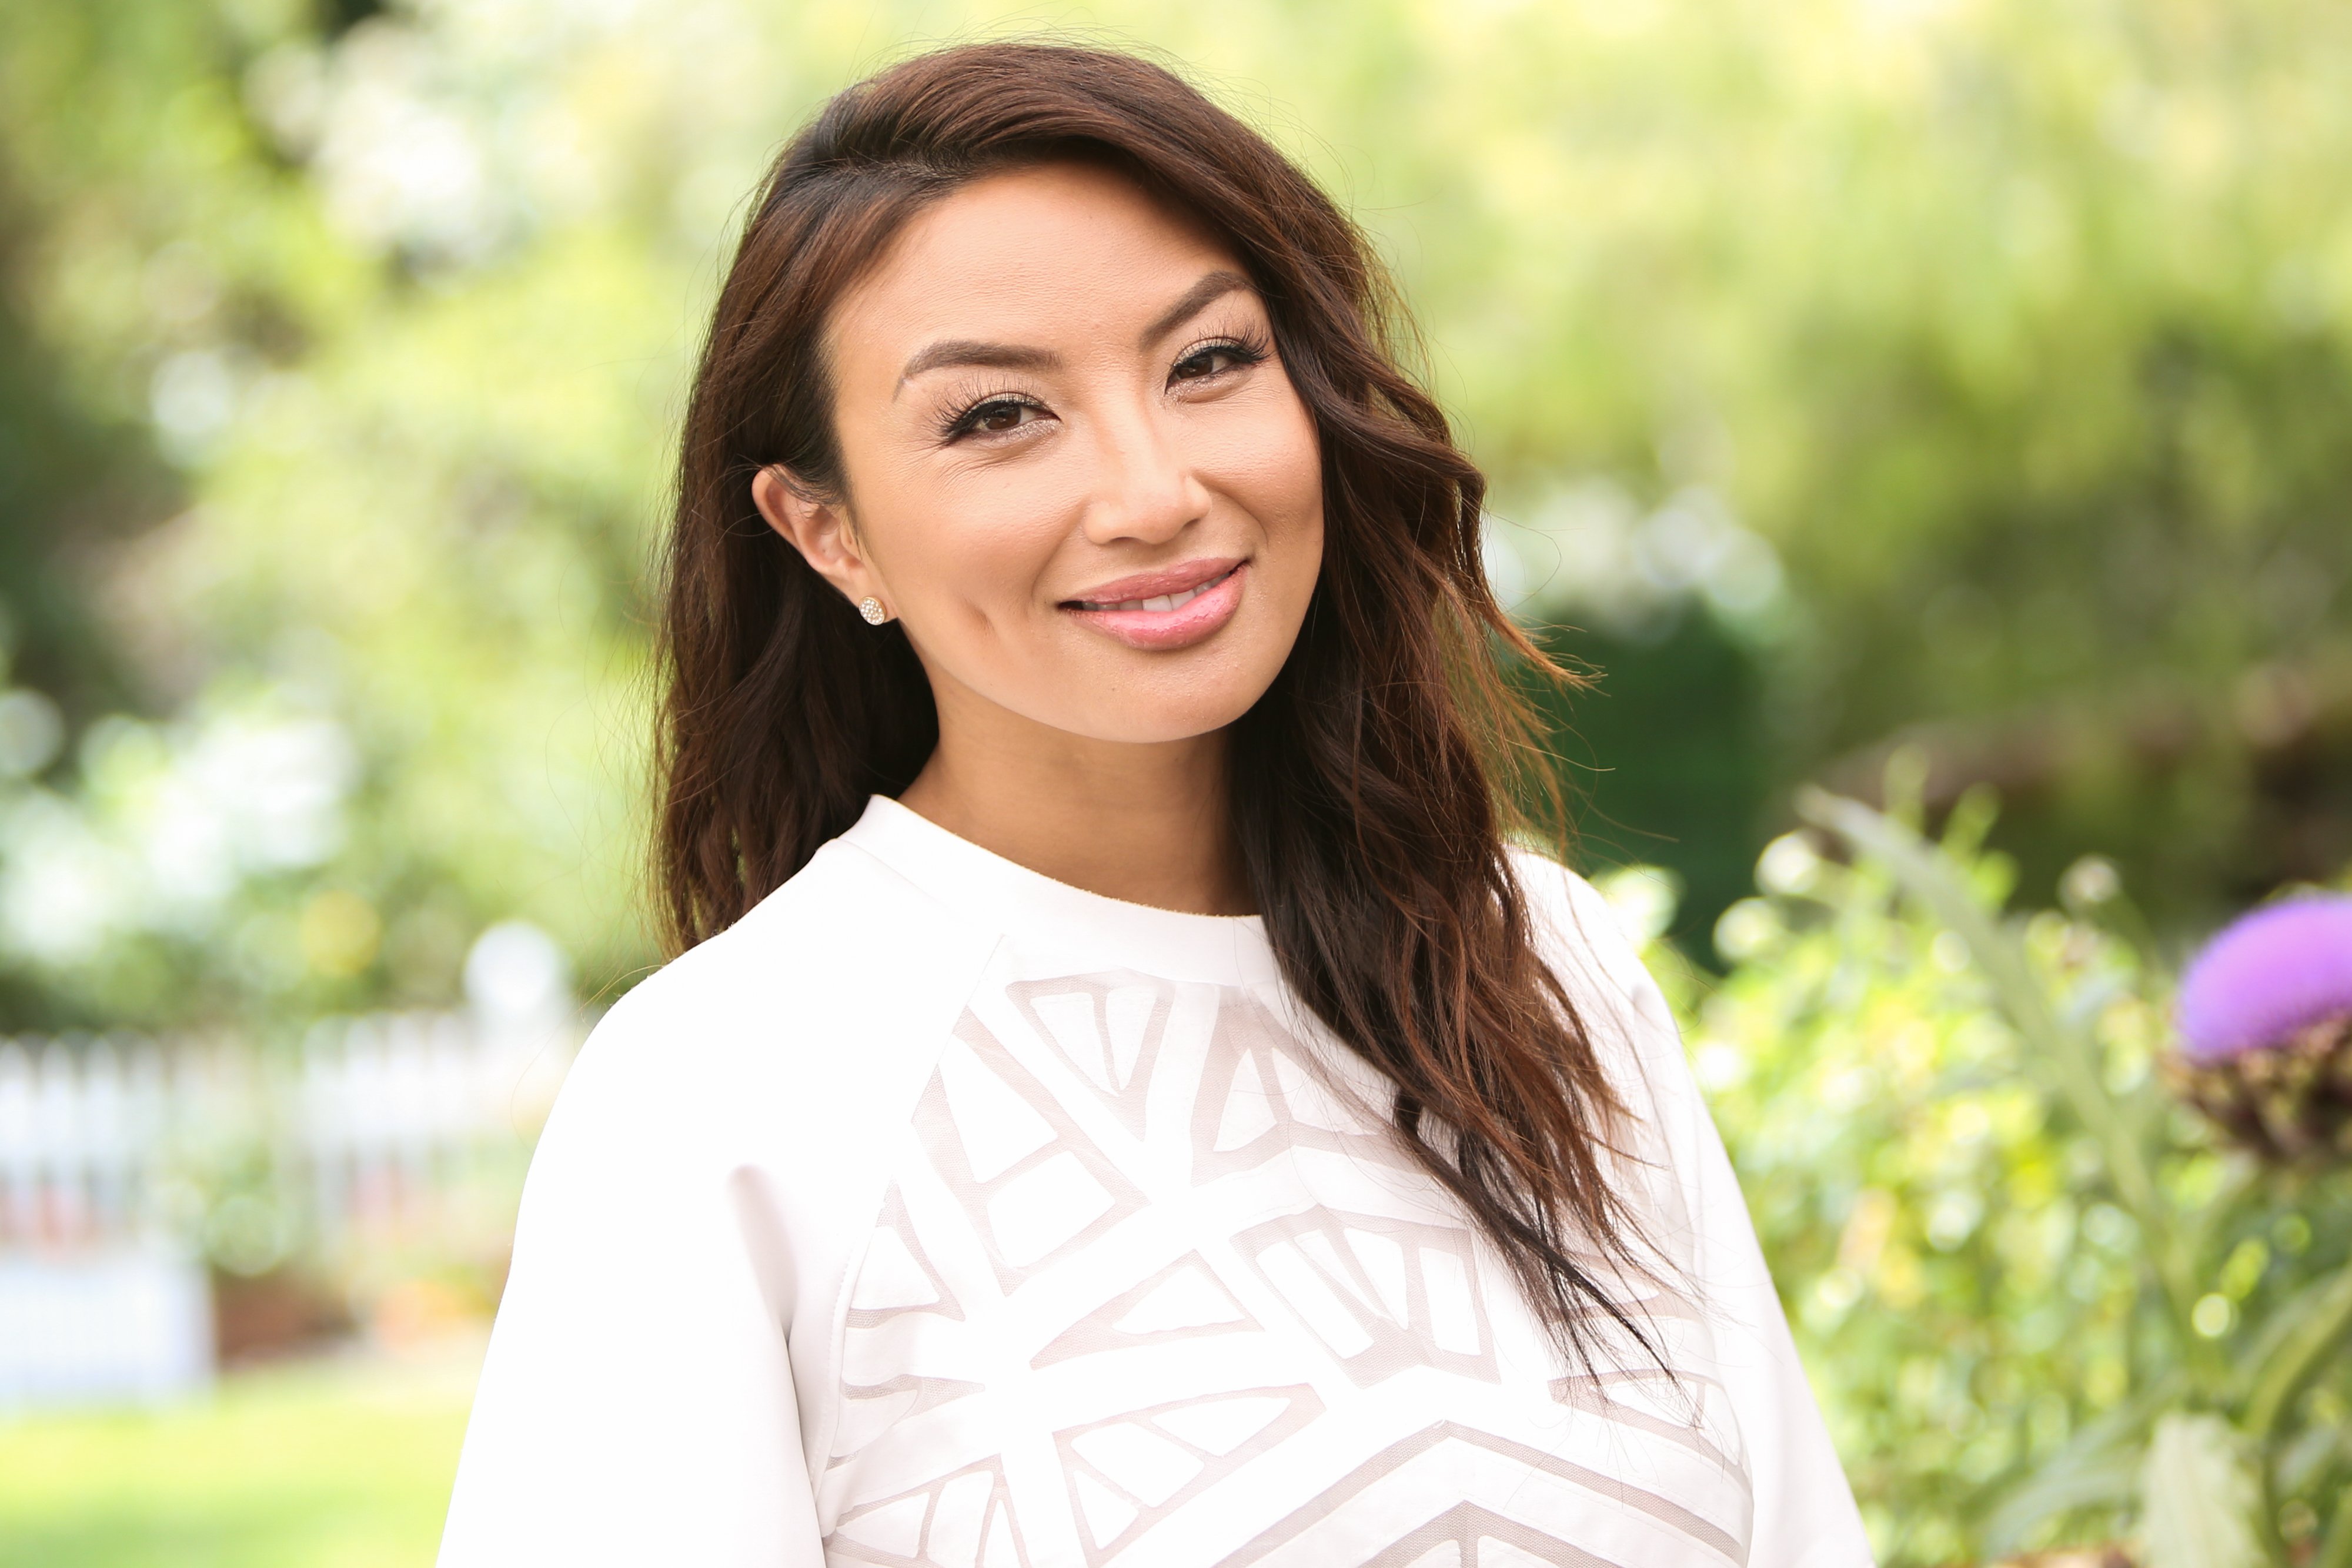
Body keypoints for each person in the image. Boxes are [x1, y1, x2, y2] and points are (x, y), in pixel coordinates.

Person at [437, 41, 1870, 1568]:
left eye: (1208, 363)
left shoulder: (1543, 966)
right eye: (997, 415)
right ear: (828, 530)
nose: (1152, 489)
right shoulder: (721, 1092)